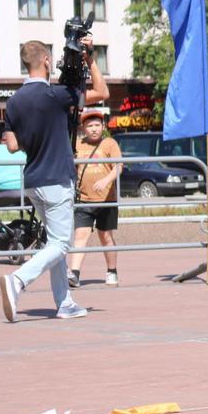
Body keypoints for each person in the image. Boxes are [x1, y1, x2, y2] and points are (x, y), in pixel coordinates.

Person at [0, 38, 109, 322]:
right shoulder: (56, 95)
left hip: (33, 179)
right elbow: (102, 91)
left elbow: (11, 144)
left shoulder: (13, 101)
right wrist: (90, 59)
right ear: (47, 61)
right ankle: (18, 281)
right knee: (60, 244)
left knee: (53, 242)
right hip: (56, 177)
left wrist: (36, 134)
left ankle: (64, 302)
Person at [67, 108, 122, 288]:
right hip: (84, 199)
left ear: (103, 126)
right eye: (90, 125)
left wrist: (106, 179)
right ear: (83, 128)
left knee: (105, 235)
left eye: (97, 125)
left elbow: (118, 167)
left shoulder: (109, 143)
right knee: (80, 235)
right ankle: (74, 273)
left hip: (106, 199)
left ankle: (112, 271)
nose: (94, 129)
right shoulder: (78, 144)